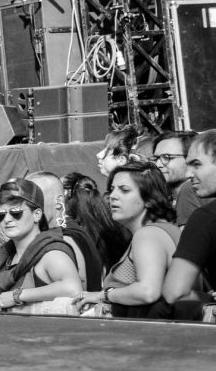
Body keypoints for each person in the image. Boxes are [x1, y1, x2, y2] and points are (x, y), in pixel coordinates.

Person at [73, 162, 181, 318]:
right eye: (112, 189)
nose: (113, 196)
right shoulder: (165, 230)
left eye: (124, 190)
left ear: (149, 198)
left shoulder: (148, 235)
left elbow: (148, 291)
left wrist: (104, 295)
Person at [0, 178, 82, 312]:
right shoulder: (7, 256)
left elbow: (73, 289)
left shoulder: (51, 252)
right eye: (0, 214)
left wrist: (17, 295)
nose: (7, 219)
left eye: (16, 212)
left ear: (36, 215)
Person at [159, 131, 216, 317]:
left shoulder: (206, 218)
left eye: (197, 164)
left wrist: (208, 299)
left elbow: (174, 292)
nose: (189, 173)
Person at [27, 170, 104, 291]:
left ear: (58, 202)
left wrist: (17, 296)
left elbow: (76, 291)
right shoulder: (59, 232)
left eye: (35, 199)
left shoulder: (65, 237)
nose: (26, 206)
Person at [151, 129, 210, 226]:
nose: (158, 164)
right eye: (155, 158)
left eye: (167, 157)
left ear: (190, 158)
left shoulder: (190, 190)